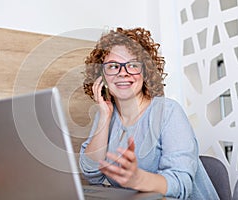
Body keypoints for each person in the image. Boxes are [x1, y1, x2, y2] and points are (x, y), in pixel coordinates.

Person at [79, 27, 219, 199]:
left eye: (132, 65)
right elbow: (92, 174)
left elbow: (181, 185)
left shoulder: (168, 112)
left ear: (145, 72)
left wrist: (138, 179)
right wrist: (104, 118)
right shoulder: (106, 114)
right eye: (114, 66)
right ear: (102, 76)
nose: (123, 73)